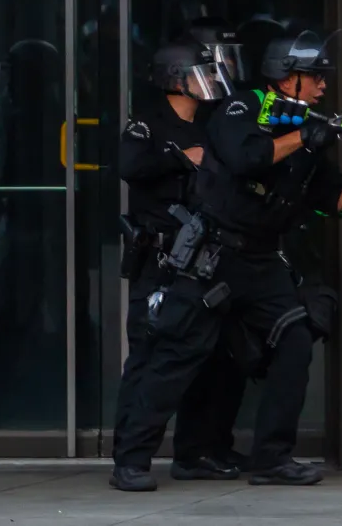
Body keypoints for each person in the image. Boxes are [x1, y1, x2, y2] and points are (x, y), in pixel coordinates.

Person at [111, 29, 342, 491]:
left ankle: (271, 459)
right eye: (315, 76)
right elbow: (246, 156)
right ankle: (131, 460)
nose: (324, 85)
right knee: (177, 353)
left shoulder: (307, 128)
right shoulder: (242, 107)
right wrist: (304, 138)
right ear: (287, 79)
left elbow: (334, 201)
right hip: (213, 254)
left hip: (263, 262)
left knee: (294, 342)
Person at [112, 40, 249, 488]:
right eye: (198, 74)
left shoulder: (211, 126)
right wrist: (178, 157)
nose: (208, 82)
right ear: (177, 79)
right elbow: (129, 165)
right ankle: (130, 458)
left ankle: (195, 452)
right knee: (156, 360)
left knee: (209, 358)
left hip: (206, 261)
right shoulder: (149, 126)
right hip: (162, 261)